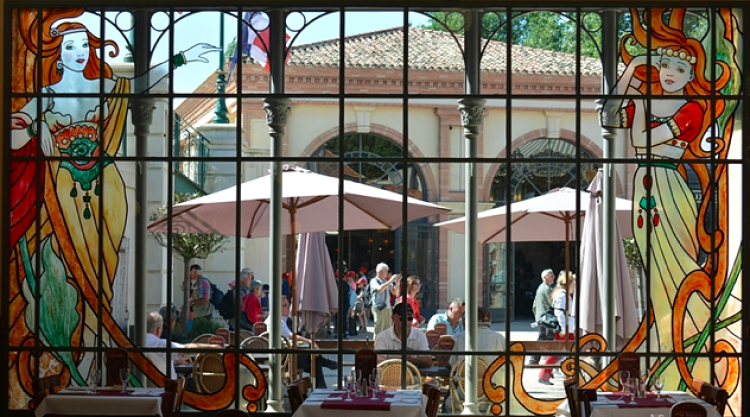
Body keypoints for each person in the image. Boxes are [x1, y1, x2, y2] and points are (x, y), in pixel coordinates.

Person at [8, 8, 219, 390]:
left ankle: (90, 356)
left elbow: (141, 82)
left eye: (85, 45)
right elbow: (16, 133)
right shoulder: (45, 96)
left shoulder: (105, 88)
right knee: (70, 266)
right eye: (70, 46)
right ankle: (70, 361)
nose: (78, 51)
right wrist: (21, 128)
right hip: (62, 189)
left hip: (107, 191)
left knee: (104, 271)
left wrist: (182, 58)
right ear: (57, 53)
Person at [600, 8, 739, 386]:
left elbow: (642, 140)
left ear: (692, 75)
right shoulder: (648, 100)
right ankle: (663, 354)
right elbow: (608, 115)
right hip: (646, 184)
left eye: (679, 70)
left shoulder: (693, 107)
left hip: (671, 188)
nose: (670, 75)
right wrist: (633, 70)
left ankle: (683, 359)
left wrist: (643, 113)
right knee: (653, 268)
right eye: (663, 68)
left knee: (676, 268)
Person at [264, 296, 338, 388]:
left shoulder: (278, 319)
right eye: (285, 305)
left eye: (288, 304)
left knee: (313, 358)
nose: (288, 307)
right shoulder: (276, 320)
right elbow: (292, 336)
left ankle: (322, 382)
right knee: (313, 359)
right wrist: (309, 340)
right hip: (283, 361)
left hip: (282, 357)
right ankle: (324, 373)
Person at [145, 312, 216, 378]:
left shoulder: (137, 343)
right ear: (158, 329)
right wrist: (216, 347)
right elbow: (186, 348)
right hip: (166, 387)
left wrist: (176, 362)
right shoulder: (160, 344)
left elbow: (155, 360)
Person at [538, 271, 576, 385]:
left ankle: (546, 375)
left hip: (567, 328)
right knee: (560, 352)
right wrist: (564, 328)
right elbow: (559, 312)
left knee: (563, 352)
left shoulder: (562, 293)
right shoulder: (562, 294)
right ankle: (545, 375)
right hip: (565, 329)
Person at [374, 302, 431, 367]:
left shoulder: (420, 335)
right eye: (402, 318)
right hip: (389, 376)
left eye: (410, 318)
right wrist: (395, 360)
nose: (406, 322)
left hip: (413, 376)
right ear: (393, 318)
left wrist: (417, 359)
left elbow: (428, 361)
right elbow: (377, 360)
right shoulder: (382, 337)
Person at [530, 269, 556, 365]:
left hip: (542, 317)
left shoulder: (540, 287)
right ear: (545, 278)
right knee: (544, 339)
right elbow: (553, 303)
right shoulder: (547, 289)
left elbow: (534, 305)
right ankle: (534, 359)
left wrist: (537, 316)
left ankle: (545, 363)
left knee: (547, 339)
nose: (553, 277)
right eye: (551, 276)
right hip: (546, 318)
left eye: (553, 275)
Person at [370, 263, 400, 336]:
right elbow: (380, 288)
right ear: (380, 272)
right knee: (379, 330)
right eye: (386, 271)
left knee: (388, 330)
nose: (387, 273)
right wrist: (391, 280)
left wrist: (397, 282)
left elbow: (395, 293)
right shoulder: (374, 281)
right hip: (379, 308)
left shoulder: (385, 281)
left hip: (388, 308)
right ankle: (377, 346)